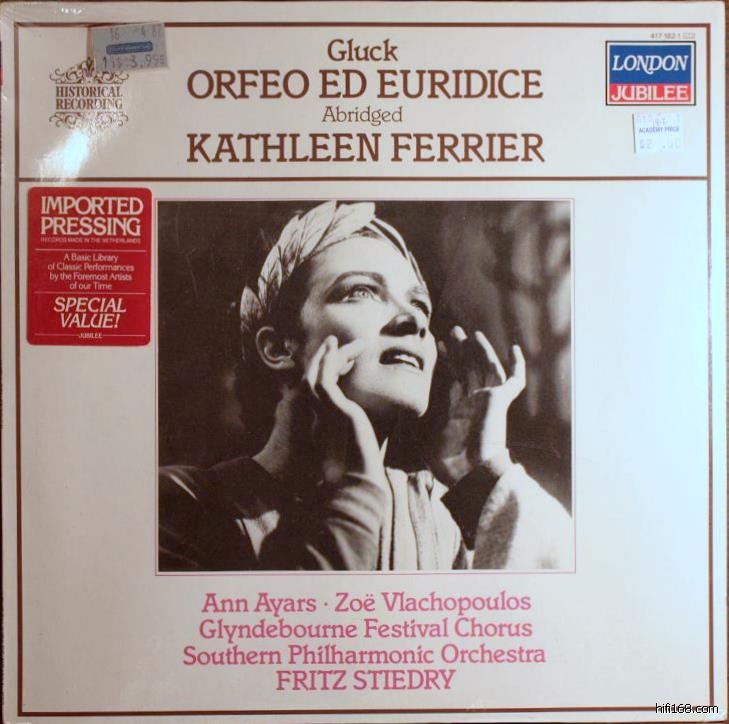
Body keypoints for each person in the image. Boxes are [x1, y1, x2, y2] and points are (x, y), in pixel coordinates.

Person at [159, 201, 572, 571]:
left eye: (419, 304)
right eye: (361, 291)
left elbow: (550, 613)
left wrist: (485, 476)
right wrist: (355, 488)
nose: (414, 320)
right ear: (279, 347)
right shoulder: (184, 504)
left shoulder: (441, 522)